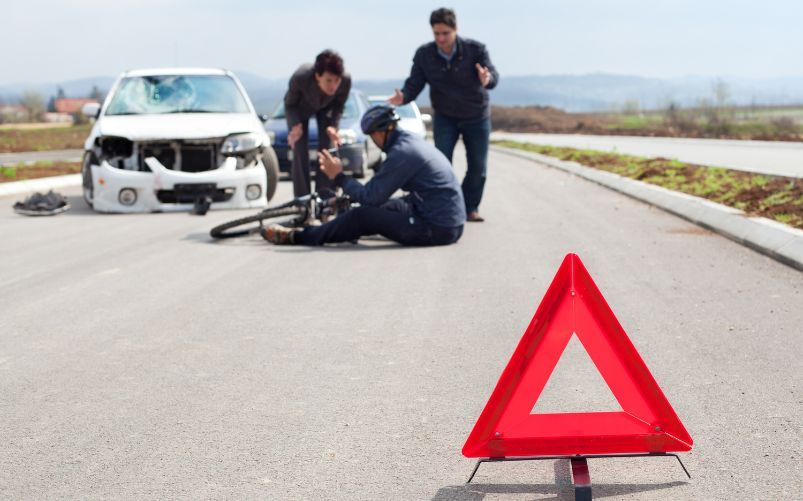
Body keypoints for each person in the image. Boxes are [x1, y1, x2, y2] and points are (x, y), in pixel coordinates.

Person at [261, 105, 466, 247]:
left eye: (371, 136)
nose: (373, 141)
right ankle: (340, 226)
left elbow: (371, 196)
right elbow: (378, 193)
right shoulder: (408, 142)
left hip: (437, 228)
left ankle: (298, 237)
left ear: (381, 133)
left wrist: (339, 176)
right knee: (377, 207)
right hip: (447, 220)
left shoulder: (402, 153)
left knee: (362, 216)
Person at [389, 7, 499, 222]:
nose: (441, 38)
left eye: (445, 33)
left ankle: (469, 208)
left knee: (478, 167)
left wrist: (487, 79)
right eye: (436, 33)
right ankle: (446, 207)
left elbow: (493, 75)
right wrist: (404, 97)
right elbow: (415, 84)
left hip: (476, 116)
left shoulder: (476, 50)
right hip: (445, 117)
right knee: (440, 165)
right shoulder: (424, 54)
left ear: (456, 29)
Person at [284, 49, 351, 197]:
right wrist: (295, 125)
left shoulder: (345, 80)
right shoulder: (301, 76)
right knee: (299, 147)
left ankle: (325, 197)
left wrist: (334, 126)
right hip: (301, 108)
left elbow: (339, 105)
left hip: (327, 109)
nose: (333, 85)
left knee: (326, 148)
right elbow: (289, 104)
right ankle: (303, 200)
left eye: (336, 80)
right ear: (317, 76)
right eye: (328, 80)